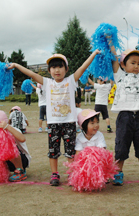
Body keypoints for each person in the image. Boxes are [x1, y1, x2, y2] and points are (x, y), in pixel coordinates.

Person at [8, 50, 100, 186]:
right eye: (53, 67)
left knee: (70, 152)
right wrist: (16, 65)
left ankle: (72, 173)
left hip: (69, 123)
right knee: (53, 151)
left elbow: (83, 67)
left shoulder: (71, 80)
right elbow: (31, 74)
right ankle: (54, 174)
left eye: (60, 66)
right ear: (49, 70)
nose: (57, 70)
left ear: (66, 69)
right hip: (53, 124)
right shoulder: (46, 83)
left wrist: (94, 54)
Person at [110, 40, 139, 186]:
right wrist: (110, 41)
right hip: (124, 116)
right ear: (123, 65)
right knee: (121, 146)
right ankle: (118, 172)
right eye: (132, 63)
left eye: (138, 63)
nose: (136, 66)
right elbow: (114, 57)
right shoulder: (119, 76)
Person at [0, 110, 31, 182]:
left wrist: (7, 127)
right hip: (8, 162)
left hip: (22, 159)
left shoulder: (12, 130)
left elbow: (22, 139)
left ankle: (20, 170)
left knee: (8, 148)